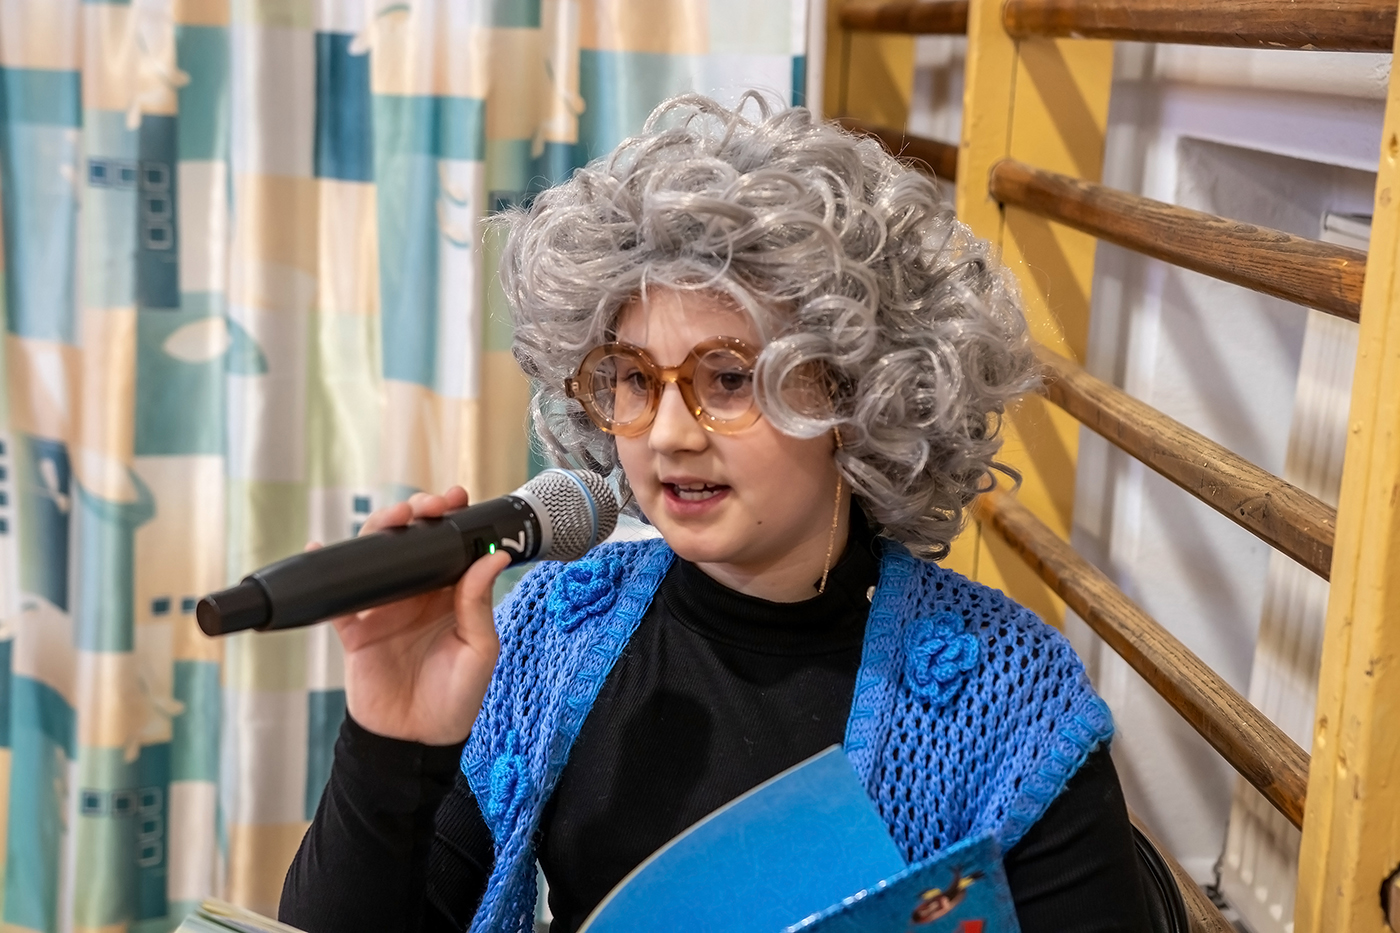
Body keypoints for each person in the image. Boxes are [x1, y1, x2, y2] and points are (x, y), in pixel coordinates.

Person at [280, 93, 1151, 933]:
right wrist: (390, 745)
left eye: (729, 378)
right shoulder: (551, 633)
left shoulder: (1005, 696)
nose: (668, 434)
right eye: (632, 378)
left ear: (858, 394)